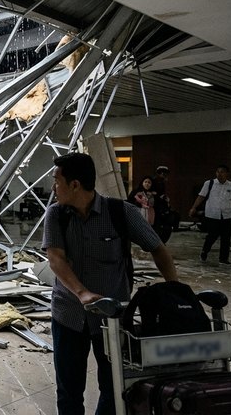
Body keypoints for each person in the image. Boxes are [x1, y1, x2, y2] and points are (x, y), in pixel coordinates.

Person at [42, 153, 178, 415]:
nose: (53, 187)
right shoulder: (56, 215)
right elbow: (56, 260)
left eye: (57, 181)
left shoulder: (120, 212)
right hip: (68, 314)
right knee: (68, 390)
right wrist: (81, 293)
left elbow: (158, 249)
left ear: (75, 185)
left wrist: (175, 290)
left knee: (114, 388)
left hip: (112, 320)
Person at [188, 165, 231, 265]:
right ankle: (204, 251)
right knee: (212, 236)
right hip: (212, 215)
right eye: (218, 172)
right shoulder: (209, 183)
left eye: (222, 172)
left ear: (227, 174)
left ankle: (223, 259)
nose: (219, 174)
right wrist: (193, 207)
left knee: (226, 238)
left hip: (227, 215)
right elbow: (201, 197)